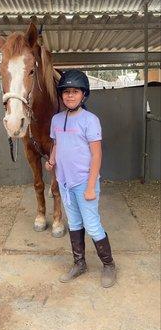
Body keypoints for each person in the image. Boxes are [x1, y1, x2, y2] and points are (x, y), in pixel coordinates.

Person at [45, 69, 116, 288]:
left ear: (84, 94)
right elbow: (57, 144)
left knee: (92, 225)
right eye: (66, 92)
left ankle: (109, 265)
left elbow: (97, 154)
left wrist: (90, 186)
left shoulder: (90, 120)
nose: (70, 96)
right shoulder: (57, 119)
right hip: (65, 183)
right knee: (74, 223)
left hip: (85, 182)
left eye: (75, 92)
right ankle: (79, 263)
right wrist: (52, 161)